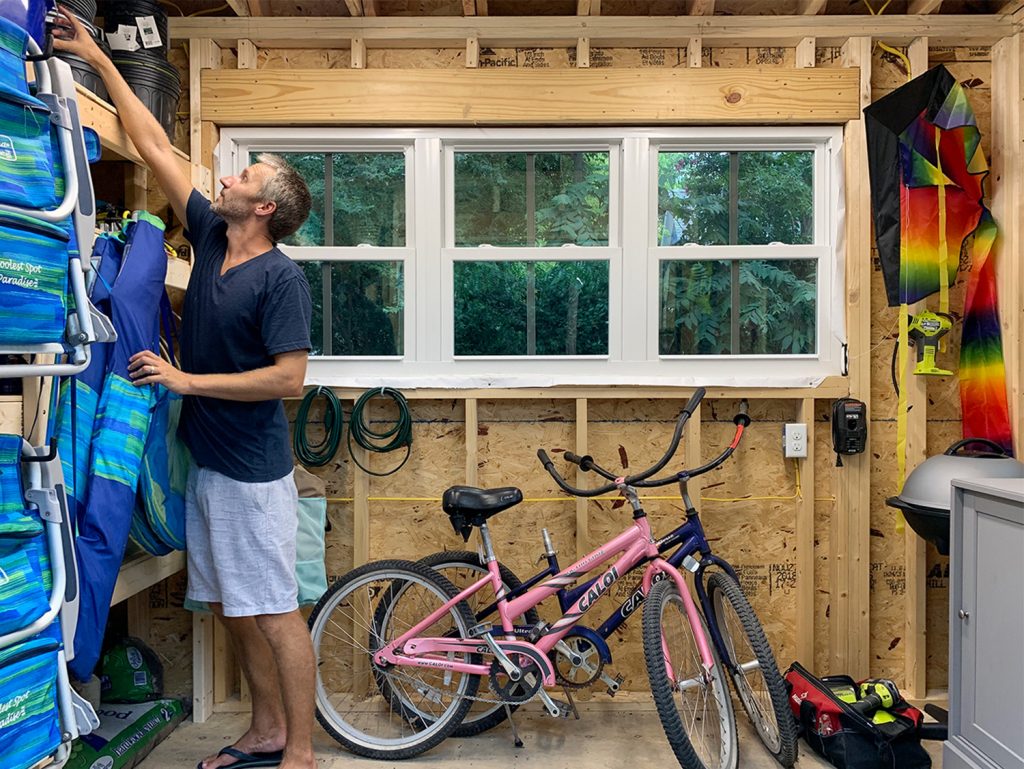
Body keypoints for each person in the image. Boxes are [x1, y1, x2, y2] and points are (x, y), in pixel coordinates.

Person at [53, 10, 317, 769]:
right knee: (235, 609)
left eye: (244, 175)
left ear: (264, 207)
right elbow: (152, 143)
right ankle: (265, 730)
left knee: (274, 612)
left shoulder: (279, 278)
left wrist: (184, 378)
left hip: (253, 475)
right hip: (208, 465)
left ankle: (298, 751)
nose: (226, 177)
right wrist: (101, 61)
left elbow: (290, 380)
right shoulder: (206, 233)